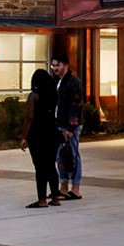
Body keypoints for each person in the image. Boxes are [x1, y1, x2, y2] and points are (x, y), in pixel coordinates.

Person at [24, 54, 65, 208]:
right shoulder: (54, 95)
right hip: (52, 133)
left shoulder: (33, 96)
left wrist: (23, 136)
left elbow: (29, 117)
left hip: (37, 134)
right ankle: (55, 197)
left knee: (40, 167)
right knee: (50, 166)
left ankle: (42, 199)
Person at [51, 48, 86, 202]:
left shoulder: (74, 82)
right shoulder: (57, 82)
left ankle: (76, 188)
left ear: (65, 65)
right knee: (60, 156)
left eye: (57, 65)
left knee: (72, 154)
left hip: (70, 126)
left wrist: (72, 128)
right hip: (59, 124)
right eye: (53, 65)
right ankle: (63, 186)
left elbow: (77, 106)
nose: (55, 68)